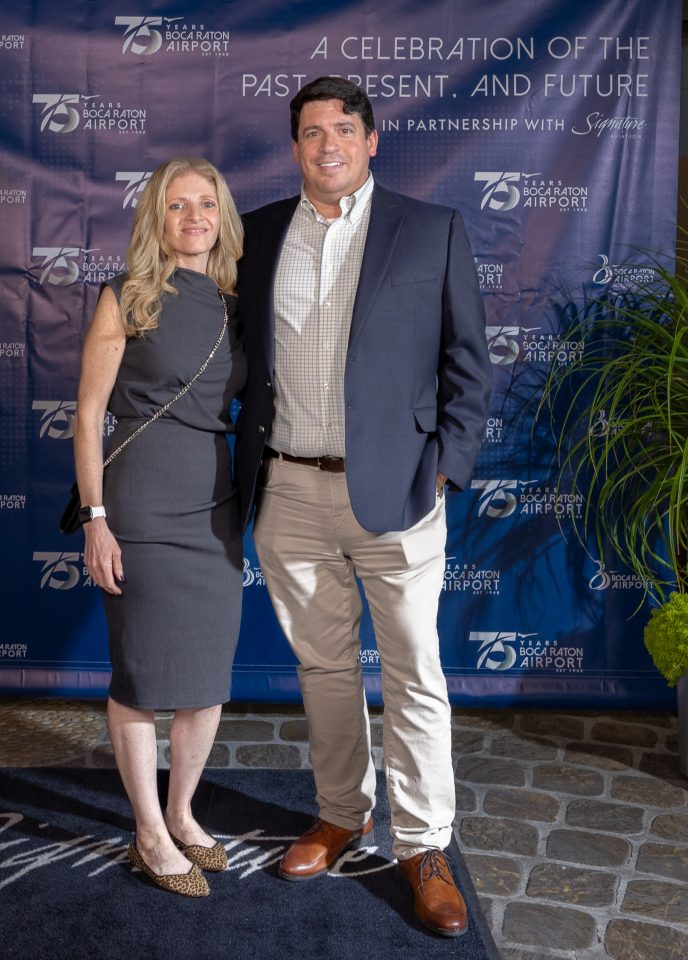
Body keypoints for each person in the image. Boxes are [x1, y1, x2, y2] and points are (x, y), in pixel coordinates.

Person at [235, 77, 492, 936]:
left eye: (343, 128)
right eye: (312, 132)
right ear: (295, 147)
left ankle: (423, 844)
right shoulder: (258, 233)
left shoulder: (432, 229)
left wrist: (445, 469)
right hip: (289, 489)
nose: (328, 144)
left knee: (414, 670)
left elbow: (468, 361)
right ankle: (342, 814)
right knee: (323, 667)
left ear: (372, 139)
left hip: (401, 490)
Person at [73, 158, 246, 899]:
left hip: (215, 506)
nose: (194, 217)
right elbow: (88, 415)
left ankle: (181, 812)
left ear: (222, 216)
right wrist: (96, 520)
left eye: (206, 203)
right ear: (156, 217)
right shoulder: (127, 296)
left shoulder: (238, 303)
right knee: (142, 674)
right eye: (177, 205)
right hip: (140, 502)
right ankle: (147, 831)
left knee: (206, 680)